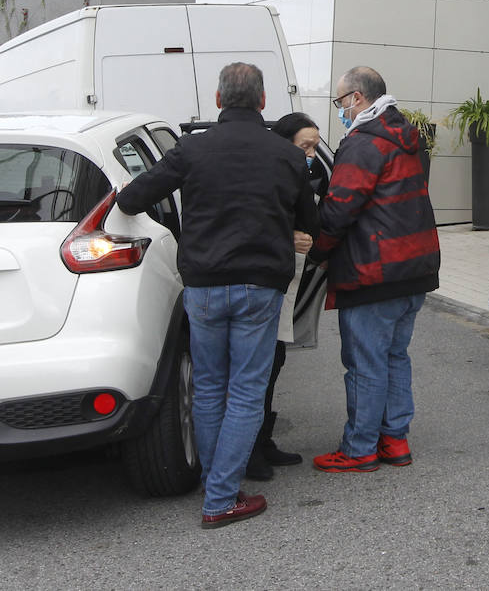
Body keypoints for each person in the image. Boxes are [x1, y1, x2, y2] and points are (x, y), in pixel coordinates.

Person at [117, 62, 318, 529]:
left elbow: (132, 200)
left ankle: (217, 486)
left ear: (218, 99)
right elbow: (310, 223)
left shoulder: (191, 149)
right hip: (261, 285)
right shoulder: (287, 156)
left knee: (208, 388)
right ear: (264, 101)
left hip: (204, 284)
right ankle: (221, 498)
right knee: (247, 390)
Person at [306, 66, 441, 473]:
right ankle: (394, 440)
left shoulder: (363, 143)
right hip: (413, 266)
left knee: (365, 361)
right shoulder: (403, 137)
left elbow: (340, 208)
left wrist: (316, 249)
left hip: (373, 269)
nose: (340, 110)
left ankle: (360, 447)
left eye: (340, 101)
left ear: (358, 98)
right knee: (394, 356)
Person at [240, 112, 327, 481]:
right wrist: (289, 236)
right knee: (253, 371)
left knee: (273, 362)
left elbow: (311, 224)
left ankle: (263, 440)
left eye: (314, 147)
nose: (310, 154)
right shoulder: (264, 174)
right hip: (255, 283)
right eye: (304, 146)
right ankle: (247, 452)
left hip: (282, 283)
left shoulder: (302, 177)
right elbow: (251, 221)